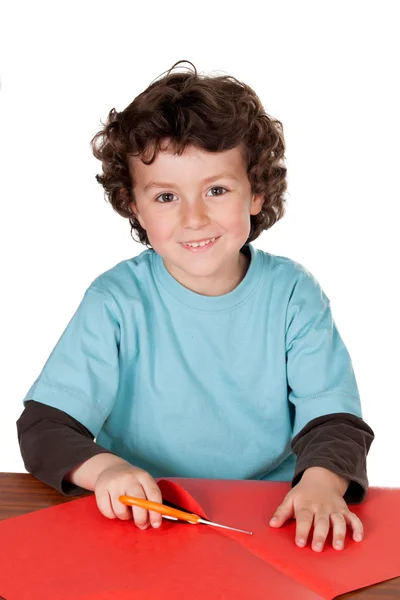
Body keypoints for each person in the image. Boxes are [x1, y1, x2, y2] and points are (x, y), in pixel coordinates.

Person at [17, 59, 374, 553]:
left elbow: (334, 422)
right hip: (146, 519)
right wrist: (108, 471)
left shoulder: (294, 295)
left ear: (257, 192)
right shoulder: (115, 302)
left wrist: (319, 484)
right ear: (133, 206)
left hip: (274, 518)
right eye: (166, 196)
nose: (194, 217)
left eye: (217, 189)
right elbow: (45, 427)